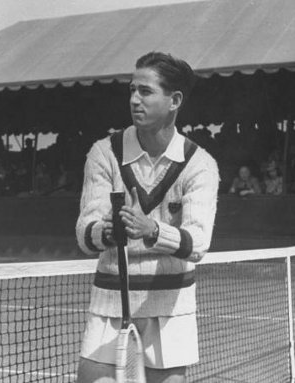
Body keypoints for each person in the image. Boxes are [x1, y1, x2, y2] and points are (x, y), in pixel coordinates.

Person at [76, 52, 219, 383]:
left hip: (170, 307)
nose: (134, 100)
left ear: (175, 100)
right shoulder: (103, 153)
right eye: (131, 90)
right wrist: (107, 232)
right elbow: (85, 231)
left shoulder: (200, 164)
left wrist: (151, 229)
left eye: (146, 91)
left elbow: (197, 242)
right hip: (110, 302)